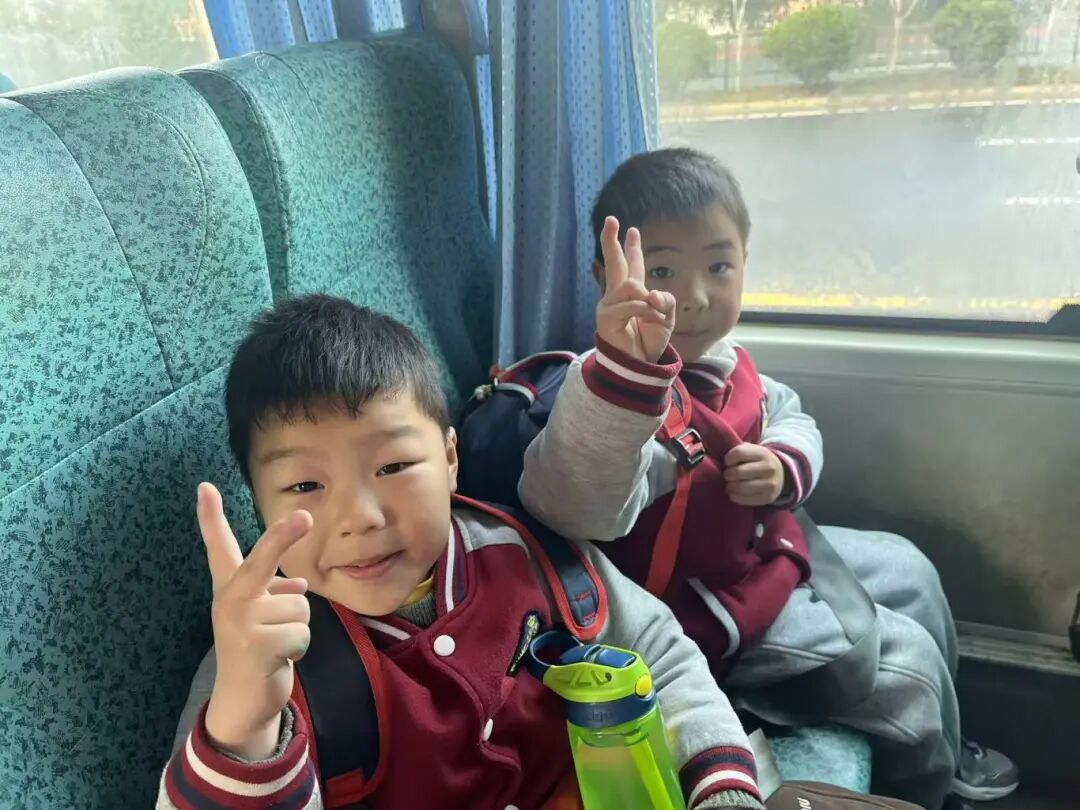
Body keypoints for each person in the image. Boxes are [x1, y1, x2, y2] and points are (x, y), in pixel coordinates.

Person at [516, 148, 1018, 810]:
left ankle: (949, 745)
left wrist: (784, 465)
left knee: (911, 569)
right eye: (661, 271)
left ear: (745, 263)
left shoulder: (725, 361)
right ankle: (923, 789)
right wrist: (621, 381)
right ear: (606, 278)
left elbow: (788, 414)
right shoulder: (610, 398)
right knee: (912, 669)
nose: (695, 297)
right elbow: (578, 505)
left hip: (756, 556)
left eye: (719, 267)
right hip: (703, 610)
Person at [156, 294, 765, 809]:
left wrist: (722, 788)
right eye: (304, 486)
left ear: (450, 459)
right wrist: (245, 727)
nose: (360, 518)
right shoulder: (260, 658)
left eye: (393, 466)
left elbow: (661, 655)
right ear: (259, 506)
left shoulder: (529, 556)